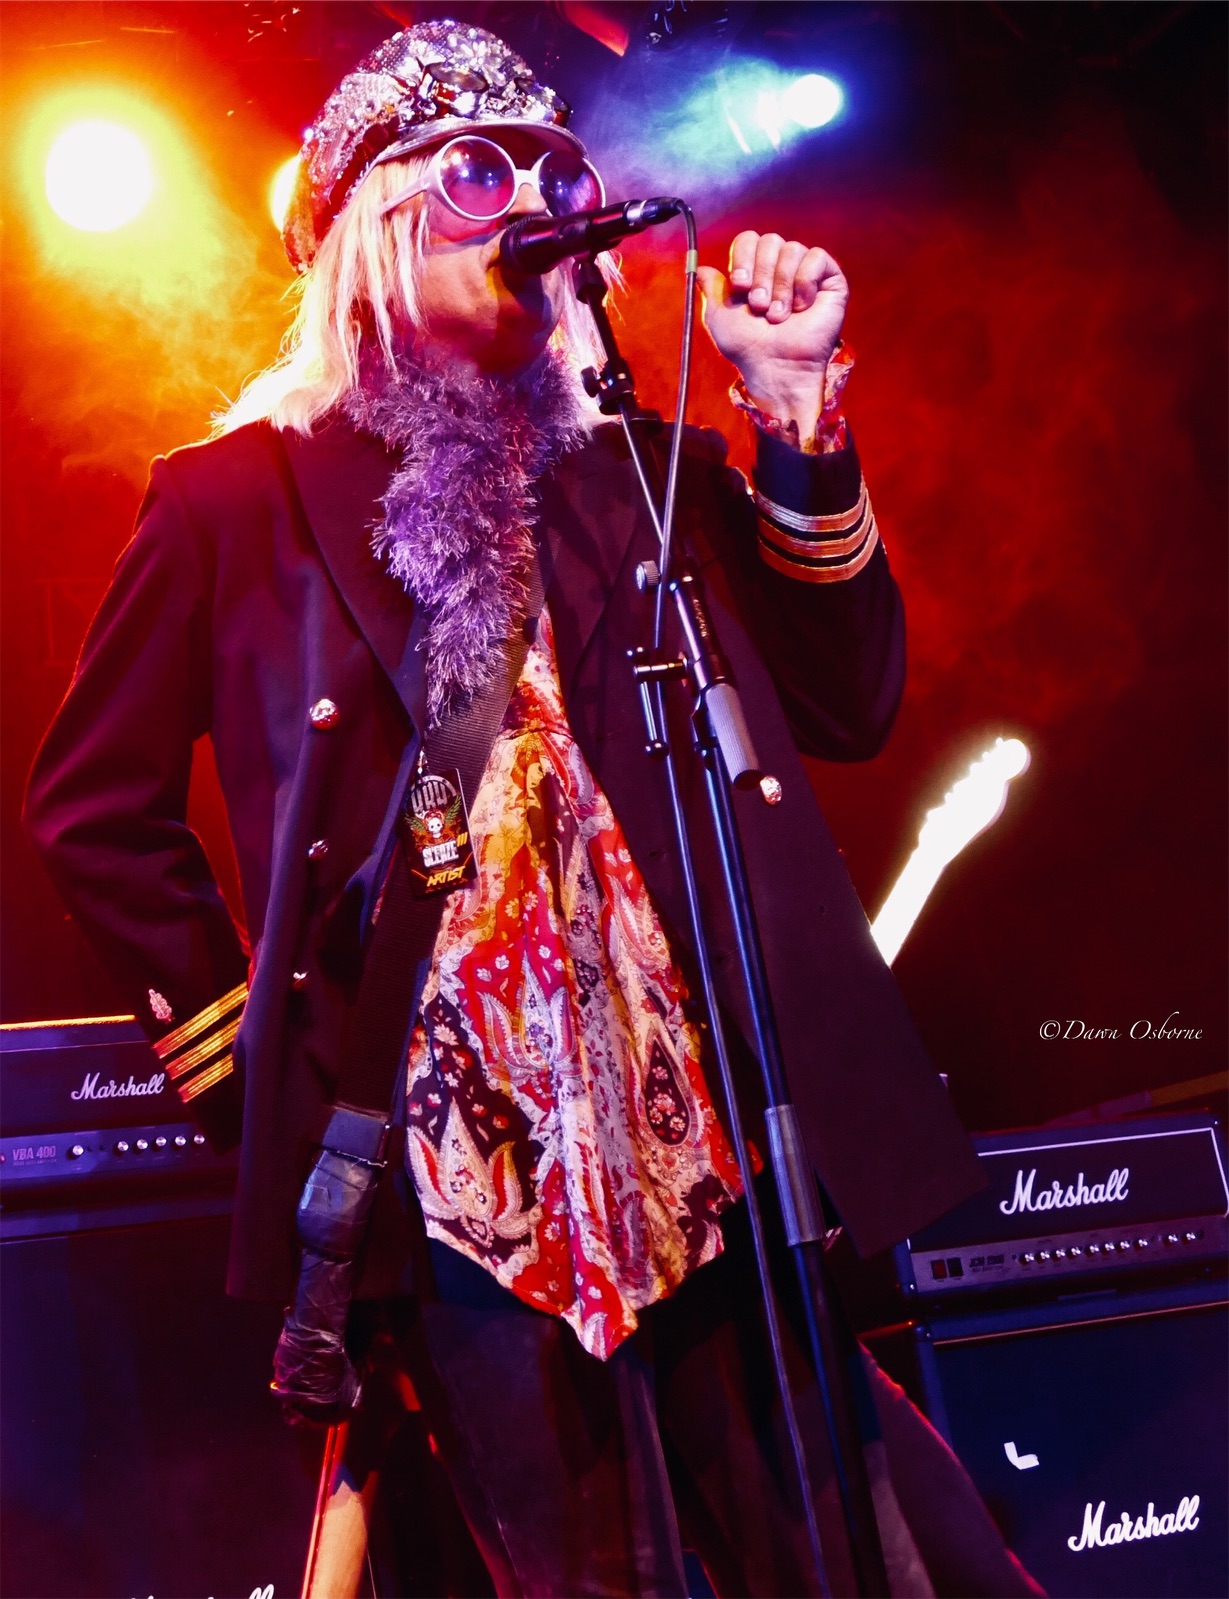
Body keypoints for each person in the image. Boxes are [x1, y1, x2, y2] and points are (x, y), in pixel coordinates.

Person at [25, 20, 1041, 1599]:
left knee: (911, 1573)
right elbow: (94, 809)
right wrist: (266, 1068)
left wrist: (795, 422)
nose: (529, 207)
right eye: (473, 176)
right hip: (460, 1211)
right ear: (370, 227)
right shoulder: (234, 499)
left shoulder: (639, 470)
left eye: (552, 174)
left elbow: (848, 707)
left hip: (714, 1174)